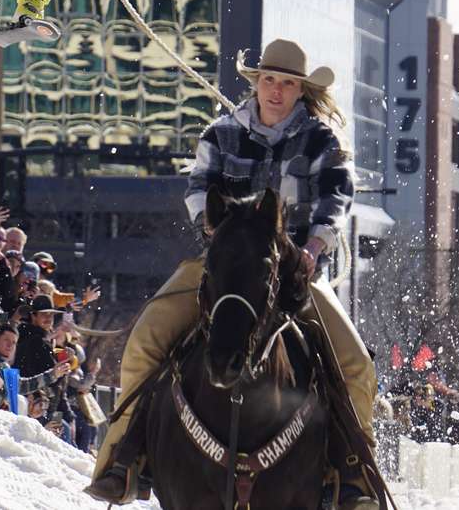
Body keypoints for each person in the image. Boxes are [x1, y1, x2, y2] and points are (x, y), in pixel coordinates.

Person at [88, 39, 379, 509]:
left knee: (355, 365)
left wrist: (312, 249)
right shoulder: (220, 133)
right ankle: (123, 458)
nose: (276, 91)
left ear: (301, 90)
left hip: (295, 270)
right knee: (145, 340)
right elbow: (198, 186)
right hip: (223, 267)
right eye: (269, 80)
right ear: (256, 83)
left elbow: (336, 199)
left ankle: (353, 474)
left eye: (287, 83)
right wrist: (215, 228)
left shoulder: (322, 139)